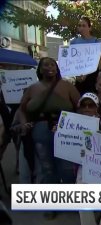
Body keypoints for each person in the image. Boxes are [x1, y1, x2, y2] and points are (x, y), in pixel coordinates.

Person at [19, 57, 80, 219]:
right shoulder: (32, 89)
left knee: (67, 168)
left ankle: (69, 201)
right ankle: (51, 204)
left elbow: (80, 106)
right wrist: (24, 124)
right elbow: (22, 110)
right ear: (39, 69)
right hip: (40, 130)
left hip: (65, 130)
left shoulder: (67, 86)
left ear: (57, 68)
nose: (49, 67)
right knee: (47, 169)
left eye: (52, 64)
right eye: (45, 65)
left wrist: (80, 126)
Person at [73, 92, 101, 225]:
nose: (87, 109)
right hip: (83, 166)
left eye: (91, 105)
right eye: (84, 105)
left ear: (97, 107)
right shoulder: (72, 122)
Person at [71, 16, 101, 95]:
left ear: (89, 28)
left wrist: (87, 73)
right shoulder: (73, 42)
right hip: (78, 76)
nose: (81, 28)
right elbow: (71, 61)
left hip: (92, 77)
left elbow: (100, 61)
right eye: (79, 25)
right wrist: (77, 75)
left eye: (84, 25)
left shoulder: (96, 42)